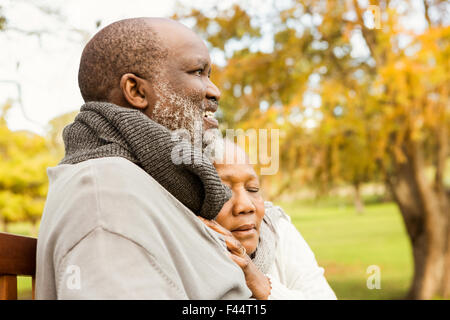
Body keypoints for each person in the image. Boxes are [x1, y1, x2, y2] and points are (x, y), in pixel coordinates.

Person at [36, 18, 252, 299]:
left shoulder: (149, 184)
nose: (214, 91)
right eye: (198, 71)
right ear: (136, 91)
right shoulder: (105, 195)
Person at [198, 140, 337, 299]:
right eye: (223, 192)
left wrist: (261, 284)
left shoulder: (275, 229)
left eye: (253, 189)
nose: (246, 206)